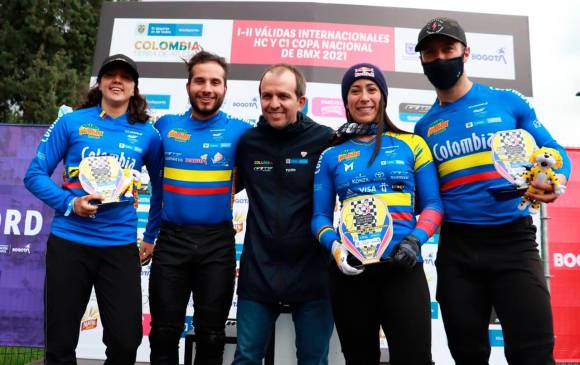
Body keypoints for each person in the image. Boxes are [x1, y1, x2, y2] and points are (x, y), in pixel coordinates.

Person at [413, 17, 571, 365]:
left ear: (465, 52)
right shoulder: (423, 128)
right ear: (422, 61)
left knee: (533, 354)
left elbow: (554, 152)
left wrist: (553, 179)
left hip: (513, 241)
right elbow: (425, 198)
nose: (440, 58)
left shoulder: (507, 102)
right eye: (431, 53)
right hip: (458, 250)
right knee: (468, 356)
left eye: (448, 49)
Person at [24, 54, 163, 364]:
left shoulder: (147, 133)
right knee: (59, 344)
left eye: (125, 77)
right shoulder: (71, 122)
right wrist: (70, 203)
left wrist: (151, 235)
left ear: (133, 87)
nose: (117, 80)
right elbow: (33, 175)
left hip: (119, 246)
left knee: (126, 341)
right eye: (110, 75)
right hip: (69, 242)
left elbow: (162, 190)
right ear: (99, 83)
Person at [311, 63, 443, 365]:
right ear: (346, 101)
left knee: (415, 359)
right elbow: (318, 217)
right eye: (355, 91)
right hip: (352, 273)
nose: (364, 97)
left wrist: (414, 241)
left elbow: (433, 205)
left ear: (383, 96)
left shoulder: (412, 144)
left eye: (372, 89)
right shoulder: (331, 154)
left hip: (403, 269)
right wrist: (335, 248)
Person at [143, 51, 252, 365]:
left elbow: (259, 170)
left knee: (212, 336)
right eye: (200, 80)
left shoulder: (241, 132)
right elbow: (157, 187)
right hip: (171, 242)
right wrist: (150, 235)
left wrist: (227, 188)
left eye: (215, 82)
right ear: (188, 85)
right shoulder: (164, 126)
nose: (207, 88)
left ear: (225, 88)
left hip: (217, 244)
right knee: (163, 333)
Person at [232, 64, 334, 365]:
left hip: (312, 272)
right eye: (267, 96)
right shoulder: (248, 142)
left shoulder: (325, 140)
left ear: (301, 101)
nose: (274, 104)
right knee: (246, 358)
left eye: (283, 96)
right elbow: (215, 187)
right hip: (258, 272)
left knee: (313, 361)